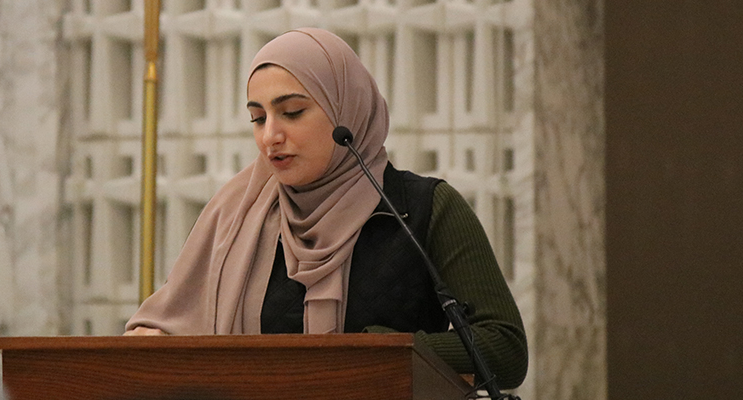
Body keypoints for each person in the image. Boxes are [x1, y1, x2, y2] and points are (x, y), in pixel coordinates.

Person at [125, 27, 527, 389]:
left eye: (293, 112)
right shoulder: (236, 215)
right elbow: (168, 327)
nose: (271, 136)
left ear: (345, 111)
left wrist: (386, 350)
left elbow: (505, 348)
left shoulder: (420, 208)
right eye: (257, 118)